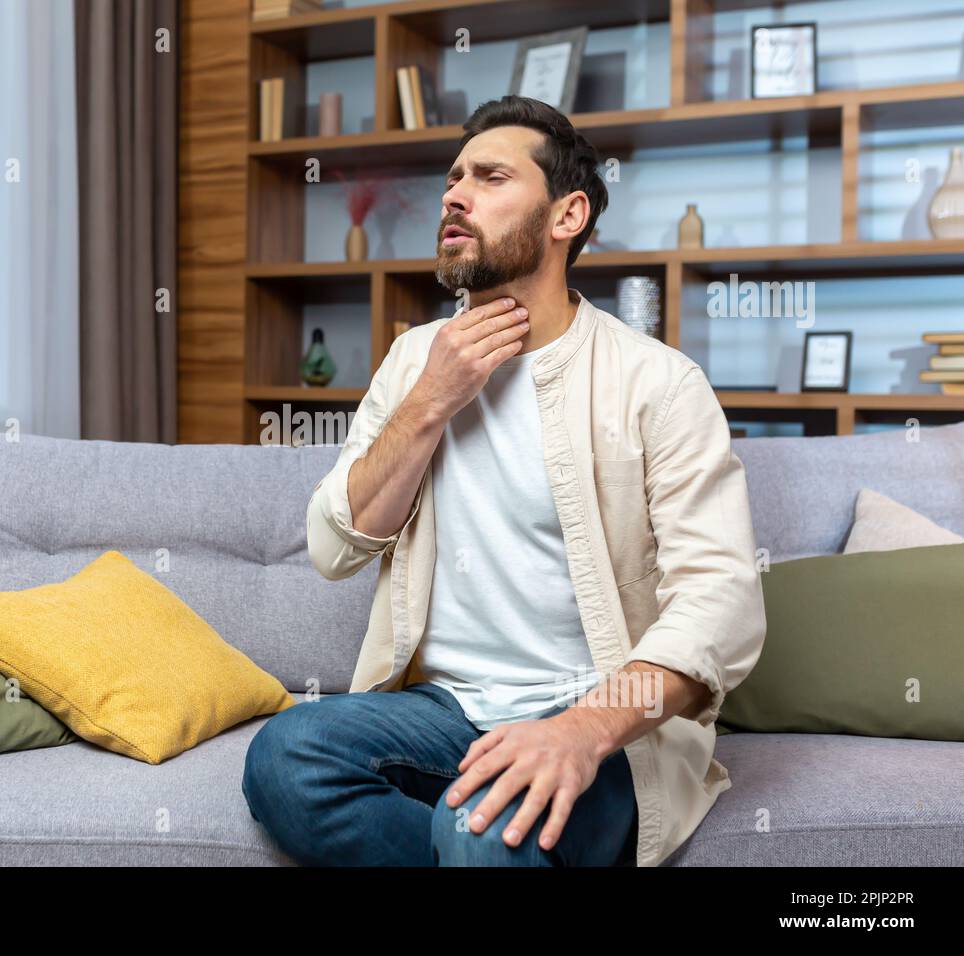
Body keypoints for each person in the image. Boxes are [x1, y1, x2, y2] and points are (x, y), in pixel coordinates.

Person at [242, 95, 766, 867]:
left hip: (601, 715)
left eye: (490, 178)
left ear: (567, 216)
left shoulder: (658, 383)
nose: (454, 195)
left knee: (483, 832)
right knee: (285, 759)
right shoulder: (415, 361)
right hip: (443, 711)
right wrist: (429, 402)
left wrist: (581, 732)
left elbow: (723, 603)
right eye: (454, 179)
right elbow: (332, 546)